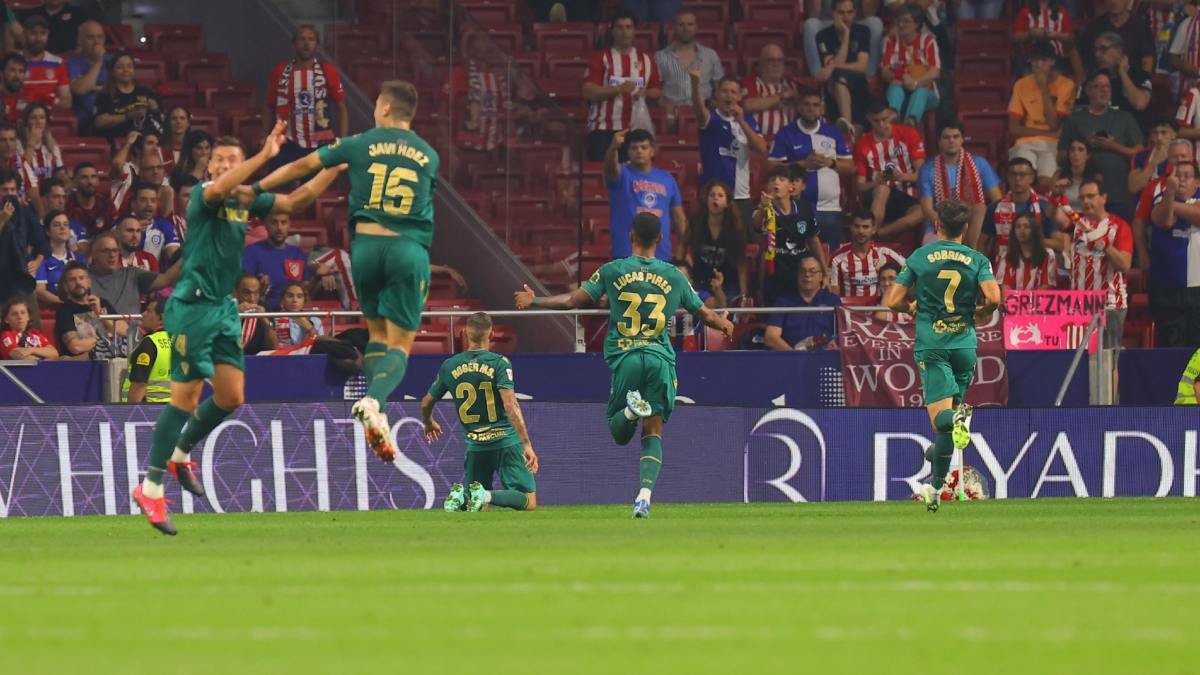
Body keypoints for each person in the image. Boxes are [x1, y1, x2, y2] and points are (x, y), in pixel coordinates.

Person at [131, 124, 344, 535]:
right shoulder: (204, 198)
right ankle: (151, 487)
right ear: (210, 166)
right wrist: (264, 155)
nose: (227, 166)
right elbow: (234, 183)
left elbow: (300, 197)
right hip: (190, 309)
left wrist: (334, 163)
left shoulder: (244, 201)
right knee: (185, 399)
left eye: (233, 159)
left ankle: (179, 453)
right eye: (221, 160)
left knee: (231, 396)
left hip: (223, 310)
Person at [253, 81, 440, 468]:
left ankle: (375, 404)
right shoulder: (428, 154)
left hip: (366, 249)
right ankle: (376, 402)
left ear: (386, 108)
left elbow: (300, 168)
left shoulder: (358, 143)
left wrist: (253, 186)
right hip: (406, 247)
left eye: (375, 104)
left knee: (374, 335)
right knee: (399, 343)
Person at [514, 212, 733, 518]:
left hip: (627, 356)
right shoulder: (674, 276)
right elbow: (705, 314)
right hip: (659, 359)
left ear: (631, 236)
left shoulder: (613, 270)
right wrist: (724, 323)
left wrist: (534, 300)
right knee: (653, 431)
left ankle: (631, 410)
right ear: (660, 239)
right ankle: (644, 496)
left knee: (619, 432)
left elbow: (571, 302)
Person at [883, 199, 1002, 512]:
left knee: (943, 421)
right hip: (964, 346)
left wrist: (910, 308)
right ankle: (936, 477)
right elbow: (994, 297)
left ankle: (954, 423)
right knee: (945, 431)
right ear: (965, 228)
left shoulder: (920, 257)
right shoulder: (977, 259)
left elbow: (891, 300)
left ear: (937, 226)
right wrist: (979, 313)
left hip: (932, 345)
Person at [421, 312, 540, 512]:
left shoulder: (450, 365)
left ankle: (462, 499)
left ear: (465, 333)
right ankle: (484, 494)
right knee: (528, 501)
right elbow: (510, 405)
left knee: (478, 508)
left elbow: (426, 402)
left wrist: (429, 422)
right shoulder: (499, 363)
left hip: (475, 445)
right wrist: (526, 443)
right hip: (506, 442)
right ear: (491, 334)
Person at [1053, 179, 1134, 355]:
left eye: (1091, 196)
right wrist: (1057, 195)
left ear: (1104, 197)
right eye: (1082, 198)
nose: (1086, 201)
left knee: (1109, 359)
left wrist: (1105, 246)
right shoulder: (1077, 224)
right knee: (1077, 357)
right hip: (1079, 305)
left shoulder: (1119, 226)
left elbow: (1125, 265)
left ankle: (1112, 384)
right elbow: (1057, 217)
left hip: (1110, 304)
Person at [767, 88, 854, 249]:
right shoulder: (786, 133)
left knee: (831, 256)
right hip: (796, 207)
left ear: (821, 108)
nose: (811, 108)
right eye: (807, 104)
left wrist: (831, 163)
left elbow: (850, 167)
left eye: (815, 105)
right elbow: (772, 167)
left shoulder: (833, 132)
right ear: (799, 107)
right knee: (799, 254)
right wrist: (802, 165)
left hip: (830, 208)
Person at [1058, 71, 1144, 218]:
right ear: (1088, 91)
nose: (1104, 91)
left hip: (1118, 192)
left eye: (1107, 87)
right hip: (1084, 195)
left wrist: (1113, 146)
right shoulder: (1075, 119)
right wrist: (1084, 146)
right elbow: (1060, 157)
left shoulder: (1124, 118)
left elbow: (1140, 153)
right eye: (1098, 86)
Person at [581, 11, 662, 162]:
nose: (624, 32)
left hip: (635, 131)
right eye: (620, 27)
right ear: (612, 31)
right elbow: (587, 91)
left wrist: (646, 93)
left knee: (632, 179)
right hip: (603, 130)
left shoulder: (646, 59)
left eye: (628, 27)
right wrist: (618, 89)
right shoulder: (601, 58)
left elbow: (657, 90)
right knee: (603, 179)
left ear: (634, 30)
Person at [268, 25, 348, 170]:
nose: (306, 43)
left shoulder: (328, 71)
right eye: (302, 39)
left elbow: (341, 108)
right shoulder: (280, 71)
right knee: (278, 188)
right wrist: (265, 135)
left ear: (316, 45)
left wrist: (341, 142)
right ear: (294, 43)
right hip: (286, 142)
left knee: (317, 191)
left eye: (311, 39)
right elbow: (269, 105)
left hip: (319, 144)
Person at [691, 69, 766, 220]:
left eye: (733, 92)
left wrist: (741, 121)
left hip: (740, 197)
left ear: (739, 96)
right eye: (724, 91)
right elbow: (699, 109)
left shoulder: (748, 120)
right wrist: (695, 83)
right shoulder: (710, 119)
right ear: (717, 94)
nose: (729, 95)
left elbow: (762, 148)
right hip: (712, 197)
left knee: (739, 242)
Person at [603, 128, 685, 261]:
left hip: (660, 256)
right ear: (628, 152)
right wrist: (613, 148)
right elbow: (610, 168)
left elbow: (679, 218)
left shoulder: (667, 179)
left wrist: (685, 248)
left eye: (644, 147)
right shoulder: (622, 174)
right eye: (634, 148)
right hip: (626, 255)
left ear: (652, 151)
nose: (639, 151)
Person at [918, 120, 1003, 248]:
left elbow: (998, 201)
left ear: (962, 139)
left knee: (980, 207)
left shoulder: (979, 164)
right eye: (946, 137)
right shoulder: (928, 168)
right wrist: (951, 228)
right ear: (939, 141)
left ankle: (971, 254)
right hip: (940, 226)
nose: (951, 141)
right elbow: (927, 209)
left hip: (974, 224)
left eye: (955, 137)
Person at [1008, 40, 1076, 193]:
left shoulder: (1066, 84)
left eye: (1043, 60)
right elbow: (1013, 128)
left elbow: (1054, 125)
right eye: (1035, 60)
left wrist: (1044, 88)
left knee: (1046, 184)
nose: (1038, 65)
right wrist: (1045, 133)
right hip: (1025, 142)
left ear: (1052, 61)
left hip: (1052, 143)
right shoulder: (1021, 84)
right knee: (1020, 177)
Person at [856, 100, 927, 243]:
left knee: (922, 211)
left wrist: (902, 177)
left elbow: (923, 174)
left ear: (891, 115)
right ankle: (871, 235)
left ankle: (875, 236)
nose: (881, 124)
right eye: (876, 121)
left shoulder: (908, 134)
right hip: (877, 194)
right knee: (883, 189)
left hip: (906, 193)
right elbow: (860, 186)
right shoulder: (862, 144)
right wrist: (877, 181)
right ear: (869, 119)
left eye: (884, 119)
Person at [754, 165, 824, 306]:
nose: (776, 182)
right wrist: (762, 208)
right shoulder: (765, 210)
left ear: (791, 187)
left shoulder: (804, 208)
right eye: (772, 179)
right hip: (775, 275)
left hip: (802, 274)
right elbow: (757, 226)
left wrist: (825, 271)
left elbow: (814, 241)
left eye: (781, 179)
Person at [1148, 161, 1200, 347]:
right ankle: (1173, 377)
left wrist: (1175, 207)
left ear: (1197, 182)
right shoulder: (1162, 197)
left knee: (1197, 349)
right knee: (1171, 346)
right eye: (1178, 175)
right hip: (1166, 287)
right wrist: (1170, 193)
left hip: (1198, 287)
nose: (1182, 180)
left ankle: (1194, 378)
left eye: (1187, 176)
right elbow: (1164, 221)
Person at [1131, 138, 1194, 269]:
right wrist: (1142, 253)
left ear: (1192, 158)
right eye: (1175, 156)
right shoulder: (1154, 186)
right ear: (1168, 159)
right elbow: (1139, 220)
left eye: (1183, 156)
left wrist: (1172, 207)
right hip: (1163, 262)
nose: (1179, 159)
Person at [685, 180, 748, 306]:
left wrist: (744, 295)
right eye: (712, 195)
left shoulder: (736, 230)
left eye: (720, 195)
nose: (715, 198)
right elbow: (684, 252)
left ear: (727, 202)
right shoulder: (696, 224)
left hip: (728, 285)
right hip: (700, 283)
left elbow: (741, 264)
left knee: (725, 309)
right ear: (706, 200)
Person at [813, 0, 872, 136]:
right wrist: (846, 36)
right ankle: (847, 125)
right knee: (839, 77)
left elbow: (862, 66)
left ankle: (847, 124)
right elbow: (835, 69)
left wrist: (832, 66)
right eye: (841, 13)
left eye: (849, 12)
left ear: (855, 13)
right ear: (833, 13)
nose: (846, 17)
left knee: (838, 75)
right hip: (834, 90)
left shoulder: (863, 31)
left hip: (858, 86)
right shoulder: (822, 36)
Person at [979, 158, 1056, 261]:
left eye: (1023, 174)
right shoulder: (994, 207)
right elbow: (982, 243)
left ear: (1032, 178)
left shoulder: (1045, 206)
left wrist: (1031, 239)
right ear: (1007, 177)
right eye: (1013, 174)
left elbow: (1059, 244)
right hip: (1004, 265)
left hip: (1037, 264)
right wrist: (986, 270)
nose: (1017, 179)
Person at [880, 3, 942, 127]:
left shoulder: (928, 41)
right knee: (895, 88)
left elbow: (935, 72)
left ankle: (910, 124)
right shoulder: (890, 42)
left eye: (906, 21)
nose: (901, 24)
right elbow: (884, 73)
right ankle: (892, 120)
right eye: (899, 20)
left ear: (917, 24)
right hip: (899, 89)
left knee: (920, 91)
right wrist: (903, 78)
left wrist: (914, 83)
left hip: (927, 94)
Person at [655, 9, 723, 120]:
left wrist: (714, 105)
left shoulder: (710, 55)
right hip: (673, 115)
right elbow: (656, 90)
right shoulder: (660, 56)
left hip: (705, 112)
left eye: (690, 24)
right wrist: (667, 108)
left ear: (696, 27)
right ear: (675, 27)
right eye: (681, 24)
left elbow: (719, 88)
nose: (686, 28)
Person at [764, 254, 841, 351]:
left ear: (821, 276)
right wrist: (794, 357)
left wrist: (836, 343)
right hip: (790, 358)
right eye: (803, 271)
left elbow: (845, 334)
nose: (807, 275)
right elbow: (771, 337)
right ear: (797, 275)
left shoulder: (833, 301)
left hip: (825, 358)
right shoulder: (783, 301)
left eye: (812, 271)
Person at [53, 260, 123, 360]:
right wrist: (109, 337)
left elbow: (124, 333)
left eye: (81, 278)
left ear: (89, 282)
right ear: (66, 286)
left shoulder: (102, 303)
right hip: (81, 364)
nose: (78, 282)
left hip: (110, 360)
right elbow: (75, 347)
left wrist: (101, 316)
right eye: (72, 279)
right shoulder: (64, 310)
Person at [830, 210, 906, 298]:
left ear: (873, 229)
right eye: (857, 226)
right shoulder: (837, 258)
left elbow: (911, 270)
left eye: (865, 227)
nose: (861, 231)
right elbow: (834, 293)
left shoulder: (885, 253)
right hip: (849, 309)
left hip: (879, 309)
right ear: (850, 227)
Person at [0, 168, 46, 312]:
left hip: (22, 275)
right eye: (4, 190)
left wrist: (37, 261)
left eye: (12, 190)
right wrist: (3, 220)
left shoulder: (25, 211)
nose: (9, 194)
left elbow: (41, 241)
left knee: (31, 321)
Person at [242, 211, 309, 310]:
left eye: (283, 222)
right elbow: (244, 286)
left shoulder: (297, 253)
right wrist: (258, 284)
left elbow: (305, 286)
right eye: (274, 222)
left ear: (289, 225)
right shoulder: (252, 251)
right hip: (262, 312)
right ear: (265, 225)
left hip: (292, 314)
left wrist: (322, 276)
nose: (279, 228)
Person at [92, 52, 163, 145]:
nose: (125, 70)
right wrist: (128, 116)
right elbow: (99, 122)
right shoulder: (105, 95)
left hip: (144, 142)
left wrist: (154, 108)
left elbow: (160, 120)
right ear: (112, 72)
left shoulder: (147, 93)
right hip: (115, 142)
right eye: (120, 67)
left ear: (134, 70)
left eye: (129, 66)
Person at [1082, 32, 1152, 123]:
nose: (1097, 55)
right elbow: (1082, 109)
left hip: (1131, 130)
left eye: (1103, 49)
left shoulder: (1139, 74)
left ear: (1119, 51)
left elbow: (1140, 104)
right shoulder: (1094, 77)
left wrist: (1122, 73)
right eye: (1095, 50)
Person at [1080, 0, 1156, 74]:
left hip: (1132, 82)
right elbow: (1082, 56)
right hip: (1100, 83)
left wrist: (1143, 84)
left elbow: (1148, 60)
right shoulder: (1093, 26)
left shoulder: (1141, 27)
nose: (1114, 1)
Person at [742, 43, 798, 140]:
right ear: (761, 63)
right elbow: (747, 105)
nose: (776, 64)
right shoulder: (751, 82)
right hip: (757, 141)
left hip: (787, 142)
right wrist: (782, 96)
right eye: (770, 60)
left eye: (780, 61)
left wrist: (798, 98)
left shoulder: (791, 84)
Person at [123, 296, 170, 403]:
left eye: (148, 311)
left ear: (161, 319)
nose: (143, 314)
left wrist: (130, 414)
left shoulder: (150, 343)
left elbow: (139, 385)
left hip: (148, 413)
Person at [65, 20, 110, 134]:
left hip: (113, 115)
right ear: (80, 41)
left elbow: (124, 88)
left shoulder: (113, 61)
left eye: (100, 37)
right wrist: (98, 62)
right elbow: (80, 89)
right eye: (91, 37)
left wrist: (93, 86)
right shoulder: (72, 63)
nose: (96, 42)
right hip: (87, 120)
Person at [20, 14, 71, 113]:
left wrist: (51, 101)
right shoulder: (14, 62)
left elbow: (67, 102)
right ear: (24, 34)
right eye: (33, 33)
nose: (38, 38)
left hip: (49, 118)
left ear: (48, 34)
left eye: (43, 33)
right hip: (21, 116)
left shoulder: (58, 63)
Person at [995, 213, 1057, 291]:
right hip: (1014, 302)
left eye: (1026, 226)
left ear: (1034, 230)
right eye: (1018, 227)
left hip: (1039, 302)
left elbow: (1045, 288)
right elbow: (1005, 291)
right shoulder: (1007, 256)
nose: (1022, 230)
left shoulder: (1048, 255)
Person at [34, 209, 78, 307]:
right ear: (48, 232)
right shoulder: (41, 260)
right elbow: (40, 291)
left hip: (78, 307)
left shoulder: (77, 258)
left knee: (93, 320)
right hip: (54, 310)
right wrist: (65, 304)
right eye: (57, 225)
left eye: (66, 224)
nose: (62, 228)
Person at [1129, 119, 1179, 197]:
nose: (1159, 138)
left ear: (1174, 134)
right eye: (1155, 133)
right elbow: (1133, 188)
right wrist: (1153, 163)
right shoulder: (1140, 156)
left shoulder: (1182, 154)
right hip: (1145, 201)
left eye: (1164, 132)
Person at [22, 0, 90, 55]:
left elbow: (86, 42)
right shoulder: (30, 14)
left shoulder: (79, 14)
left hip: (69, 62)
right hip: (36, 61)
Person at [18, 102, 63, 184]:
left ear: (46, 122)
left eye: (42, 118)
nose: (38, 122)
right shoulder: (17, 144)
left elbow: (60, 173)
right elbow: (22, 172)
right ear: (26, 122)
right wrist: (31, 143)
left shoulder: (53, 146)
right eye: (34, 118)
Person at [235, 272, 278, 354]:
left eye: (256, 293)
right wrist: (236, 316)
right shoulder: (228, 309)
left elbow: (275, 346)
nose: (252, 298)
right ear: (236, 292)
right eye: (247, 293)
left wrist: (265, 320)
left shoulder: (264, 307)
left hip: (258, 361)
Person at [65, 161, 110, 237]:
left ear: (98, 181)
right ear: (74, 182)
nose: (90, 181)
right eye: (84, 177)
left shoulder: (106, 204)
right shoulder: (67, 205)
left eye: (93, 177)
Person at [274, 281, 323, 347]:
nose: (295, 300)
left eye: (299, 296)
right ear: (282, 300)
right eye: (290, 296)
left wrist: (309, 327)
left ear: (304, 301)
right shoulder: (275, 319)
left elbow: (321, 345)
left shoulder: (315, 320)